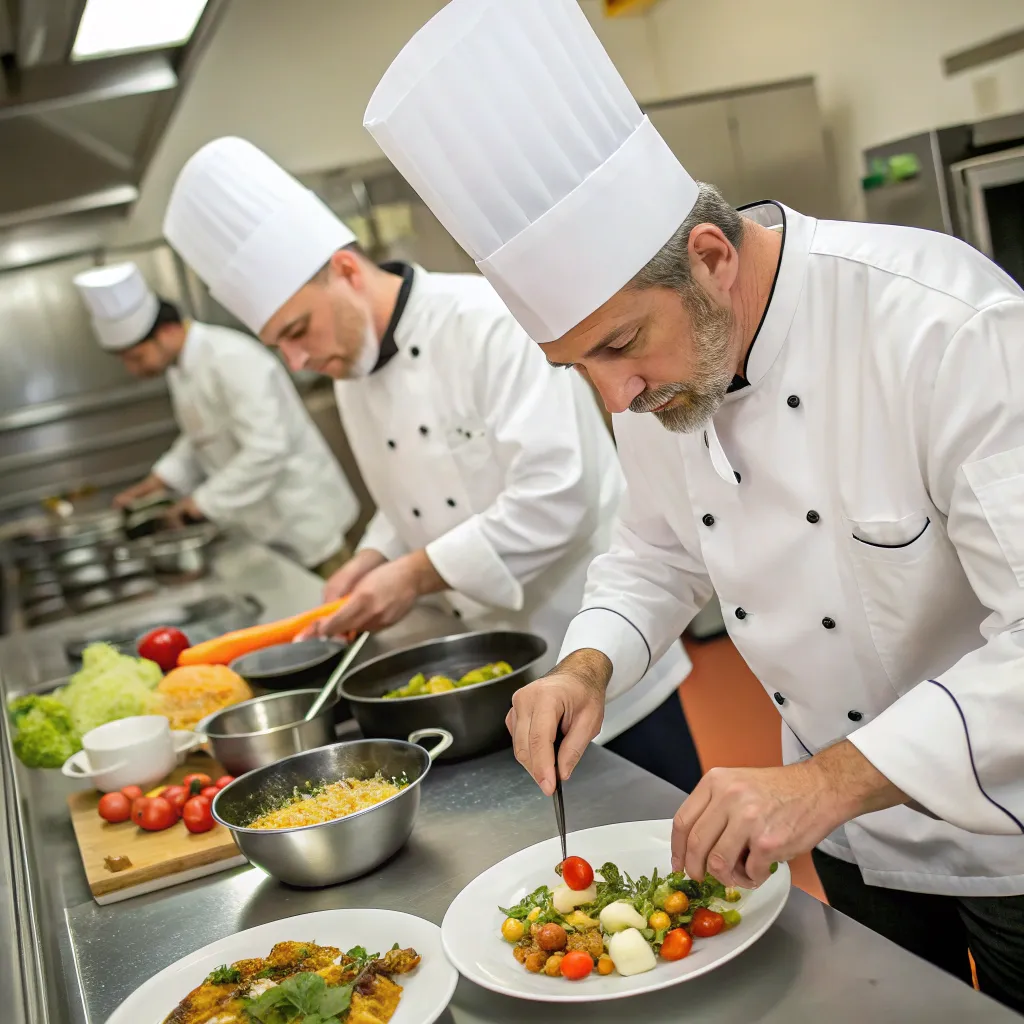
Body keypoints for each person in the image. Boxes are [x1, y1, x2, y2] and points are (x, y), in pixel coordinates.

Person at [363, 0, 1024, 1012]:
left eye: (619, 345)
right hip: (845, 835)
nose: (614, 396)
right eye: (576, 365)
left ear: (712, 256)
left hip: (1004, 824)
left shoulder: (944, 327)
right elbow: (656, 553)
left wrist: (824, 780)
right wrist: (586, 664)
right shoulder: (658, 377)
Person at [160, 137, 702, 792]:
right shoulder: (350, 366)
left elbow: (556, 495)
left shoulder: (487, 323)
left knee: (660, 826)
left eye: (298, 331)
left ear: (346, 272)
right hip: (490, 683)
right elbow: (404, 496)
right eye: (279, 345)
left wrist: (413, 575)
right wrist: (372, 557)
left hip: (597, 660)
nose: (297, 362)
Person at [73, 262, 359, 576]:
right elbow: (200, 435)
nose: (133, 370)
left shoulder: (230, 358)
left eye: (136, 357)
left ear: (167, 332)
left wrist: (201, 503)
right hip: (262, 528)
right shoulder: (180, 369)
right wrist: (160, 481)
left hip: (303, 521)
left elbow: (268, 448)